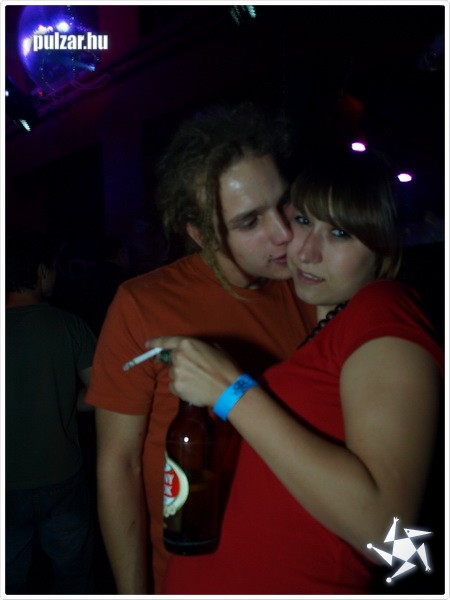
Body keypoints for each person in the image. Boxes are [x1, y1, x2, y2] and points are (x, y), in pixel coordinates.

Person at [147, 145, 444, 594]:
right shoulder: (325, 332)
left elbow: (388, 535)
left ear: (383, 245)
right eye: (303, 220)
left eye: (340, 233)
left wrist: (231, 390)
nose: (304, 251)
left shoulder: (384, 307)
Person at [85, 102, 315, 594]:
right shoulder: (143, 304)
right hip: (191, 576)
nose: (284, 233)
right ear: (200, 233)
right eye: (250, 222)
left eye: (284, 204)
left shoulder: (312, 292)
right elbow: (118, 466)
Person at [5, 229, 97, 594]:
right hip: (62, 479)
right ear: (42, 272)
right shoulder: (69, 326)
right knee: (72, 579)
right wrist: (64, 402)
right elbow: (102, 392)